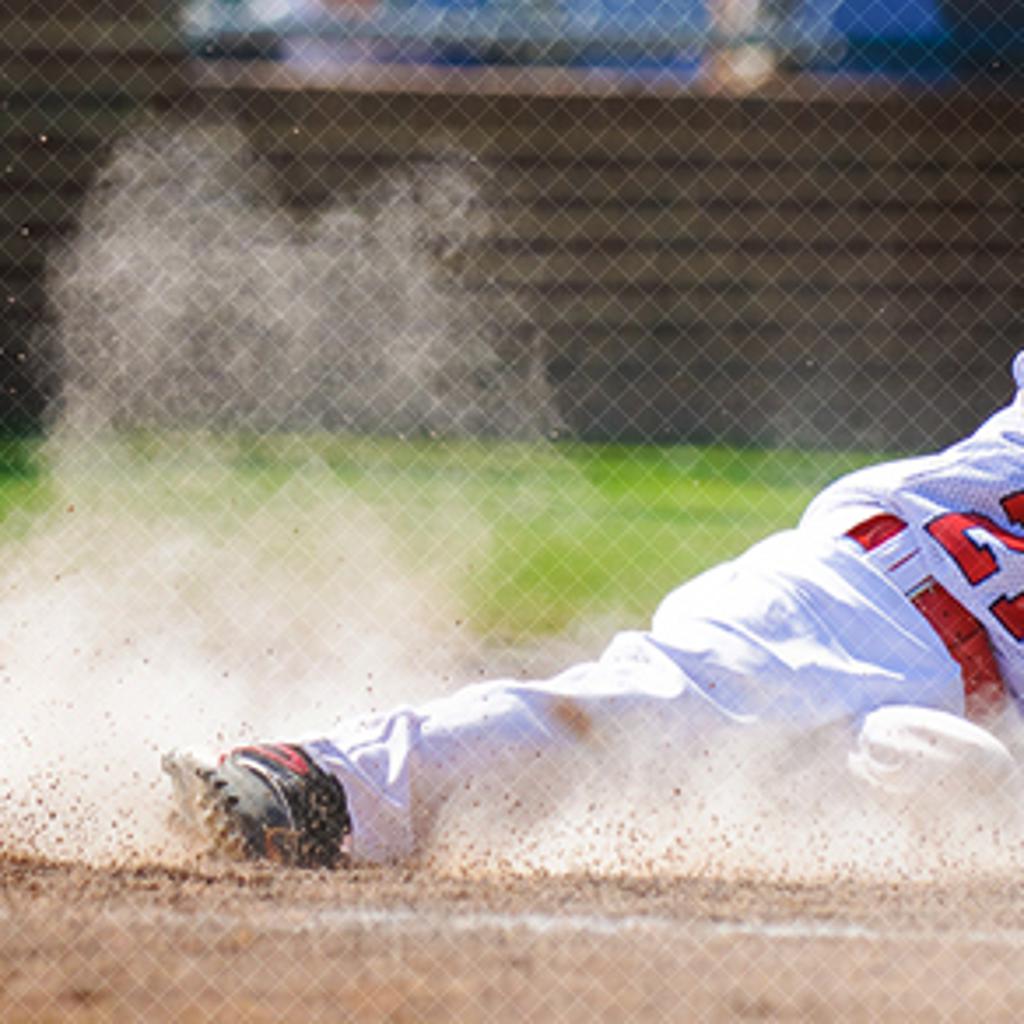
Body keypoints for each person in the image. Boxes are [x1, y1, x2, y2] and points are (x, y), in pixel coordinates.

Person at [164, 352, 1024, 869]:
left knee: (751, 806)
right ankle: (317, 783)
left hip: (959, 709)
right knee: (643, 716)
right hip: (871, 601)